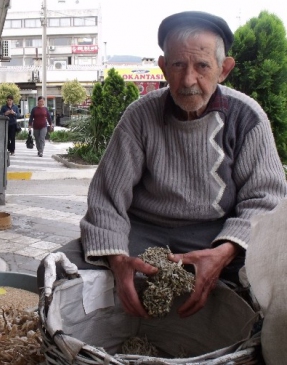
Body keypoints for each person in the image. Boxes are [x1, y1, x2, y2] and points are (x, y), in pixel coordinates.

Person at [39, 11, 287, 319]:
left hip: (217, 236)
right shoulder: (139, 116)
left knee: (276, 283)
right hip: (141, 234)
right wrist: (117, 259)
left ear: (224, 69)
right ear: (163, 68)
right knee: (56, 269)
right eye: (178, 65)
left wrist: (223, 253)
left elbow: (267, 200)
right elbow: (106, 198)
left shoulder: (247, 117)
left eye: (202, 66)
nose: (188, 80)